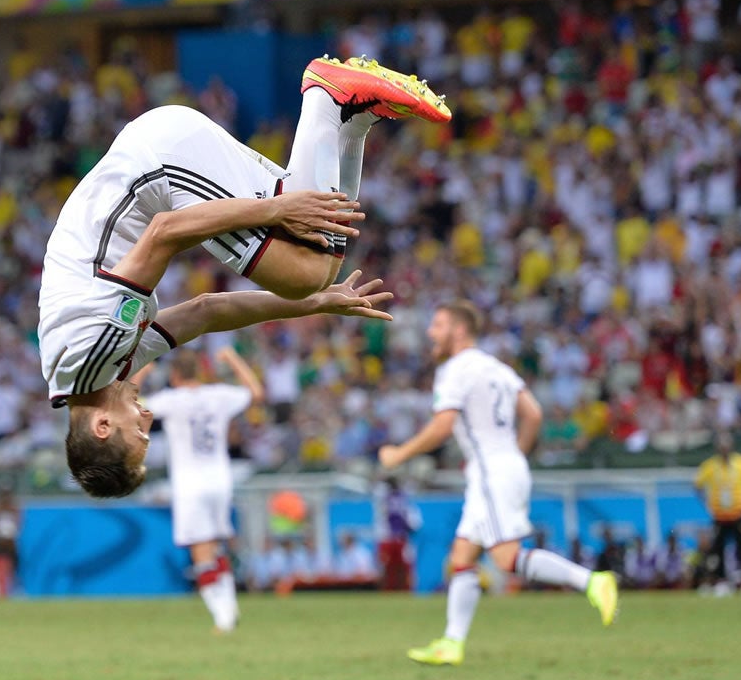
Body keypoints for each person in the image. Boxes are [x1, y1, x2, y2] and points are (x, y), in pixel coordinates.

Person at [41, 56, 449, 498]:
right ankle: (354, 117)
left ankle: (327, 96)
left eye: (138, 435)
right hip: (156, 155)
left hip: (156, 165)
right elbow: (206, 311)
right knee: (318, 267)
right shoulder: (95, 372)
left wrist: (276, 211)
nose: (148, 422)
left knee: (303, 269)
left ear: (103, 426)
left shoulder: (92, 354)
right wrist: (316, 304)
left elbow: (164, 233)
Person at [377, 301, 618, 667]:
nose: (431, 332)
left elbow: (443, 426)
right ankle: (451, 643)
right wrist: (515, 455)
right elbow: (533, 414)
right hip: (504, 464)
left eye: (438, 325)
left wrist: (399, 455)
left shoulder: (455, 370)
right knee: (462, 556)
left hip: (491, 469)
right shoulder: (497, 367)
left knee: (506, 557)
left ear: (459, 330)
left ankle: (592, 581)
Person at [141, 346, 265, 633]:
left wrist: (143, 372)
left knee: (201, 552)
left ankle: (223, 616)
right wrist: (234, 359)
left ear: (174, 374)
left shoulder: (171, 400)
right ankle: (230, 606)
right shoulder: (219, 395)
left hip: (190, 484)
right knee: (216, 545)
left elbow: (132, 405)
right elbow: (256, 393)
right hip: (220, 479)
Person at [693, 431, 741, 595]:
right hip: (719, 515)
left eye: (726, 445)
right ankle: (721, 581)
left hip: (738, 513)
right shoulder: (710, 466)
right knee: (719, 549)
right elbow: (698, 485)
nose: (724, 448)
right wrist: (707, 504)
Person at [374, 476, 420, 591]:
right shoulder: (384, 496)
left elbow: (413, 522)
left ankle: (405, 590)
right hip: (390, 537)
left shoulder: (402, 498)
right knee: (388, 566)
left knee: (403, 566)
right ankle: (387, 590)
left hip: (399, 538)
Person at [0, 486, 22, 581]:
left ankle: (13, 585)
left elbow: (18, 523)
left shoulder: (13, 507)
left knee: (14, 566)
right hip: (0, 541)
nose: (5, 497)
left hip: (11, 542)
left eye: (7, 495)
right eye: (4, 495)